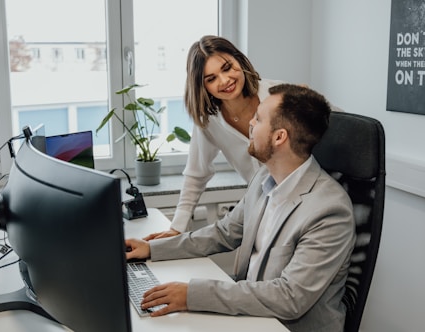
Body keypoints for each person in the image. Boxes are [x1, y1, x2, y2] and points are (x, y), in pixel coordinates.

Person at [126, 84, 356, 332]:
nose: (249, 124)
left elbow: (290, 298)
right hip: (252, 315)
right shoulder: (263, 179)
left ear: (279, 137)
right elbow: (224, 233)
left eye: (258, 119)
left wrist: (192, 294)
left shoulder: (330, 211)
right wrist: (152, 248)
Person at [144, 35, 283, 240]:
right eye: (211, 78)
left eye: (227, 68)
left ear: (240, 61)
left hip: (305, 204)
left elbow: (341, 126)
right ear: (203, 86)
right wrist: (177, 228)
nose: (224, 81)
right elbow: (196, 174)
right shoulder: (209, 122)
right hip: (263, 209)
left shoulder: (279, 96)